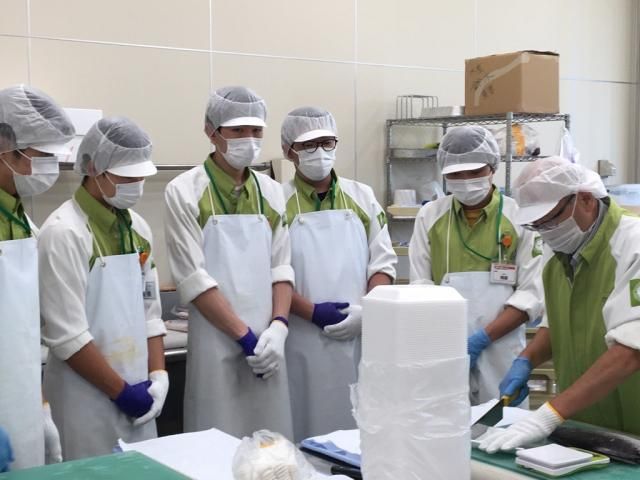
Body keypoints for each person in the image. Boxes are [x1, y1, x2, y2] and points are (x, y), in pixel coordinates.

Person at [480, 157, 640, 453]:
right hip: (585, 424)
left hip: (633, 426)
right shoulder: (557, 253)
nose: (546, 231)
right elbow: (559, 323)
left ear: (586, 199)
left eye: (551, 219)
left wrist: (549, 414)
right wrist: (526, 360)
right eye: (537, 225)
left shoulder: (633, 245)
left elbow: (631, 351)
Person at [164, 86, 295, 439]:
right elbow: (193, 278)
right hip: (216, 343)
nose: (248, 139)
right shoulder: (185, 191)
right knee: (216, 440)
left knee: (272, 444)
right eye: (237, 130)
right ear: (212, 132)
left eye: (256, 130)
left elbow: (281, 268)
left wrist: (278, 327)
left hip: (268, 344)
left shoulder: (271, 191)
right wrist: (244, 336)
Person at [39, 117, 168, 460]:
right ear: (94, 168)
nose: (136, 184)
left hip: (139, 390)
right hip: (84, 400)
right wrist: (121, 392)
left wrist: (158, 374)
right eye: (127, 177)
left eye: (140, 176)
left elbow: (150, 311)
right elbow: (68, 336)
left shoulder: (138, 229)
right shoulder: (63, 233)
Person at [280, 107, 397, 441]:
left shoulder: (362, 196)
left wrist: (368, 309)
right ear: (289, 151)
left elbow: (383, 263)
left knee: (358, 429)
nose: (319, 152)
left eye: (326, 142)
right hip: (299, 339)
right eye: (308, 145)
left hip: (359, 338)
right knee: (304, 429)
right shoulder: (275, 202)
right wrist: (311, 312)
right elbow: (272, 274)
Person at [408, 126, 544, 405]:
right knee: (444, 420)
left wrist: (482, 338)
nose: (465, 181)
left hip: (501, 347)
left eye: (474, 172)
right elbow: (420, 286)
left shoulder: (519, 216)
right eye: (456, 175)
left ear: (492, 167)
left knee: (500, 424)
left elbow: (531, 293)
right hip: (443, 344)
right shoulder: (430, 216)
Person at [0, 84, 74, 469]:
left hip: (20, 404)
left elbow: (25, 333)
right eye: (42, 156)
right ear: (5, 150)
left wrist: (41, 408)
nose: (50, 167)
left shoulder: (25, 225)